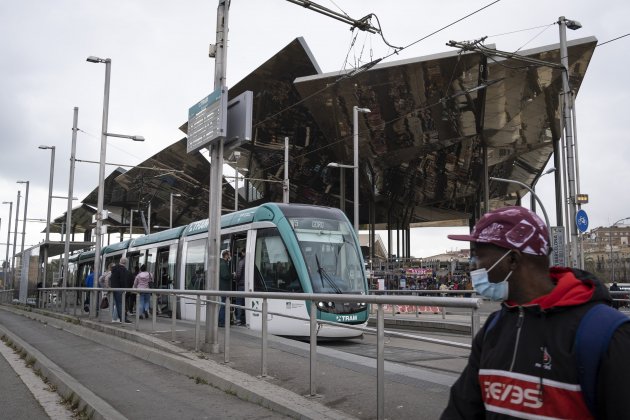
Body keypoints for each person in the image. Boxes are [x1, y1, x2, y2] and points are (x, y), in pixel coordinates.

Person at [440, 206, 630, 419]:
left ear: (512, 259)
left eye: (477, 257)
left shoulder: (606, 335)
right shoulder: (493, 329)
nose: (472, 267)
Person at [110, 257, 132, 323]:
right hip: (119, 289)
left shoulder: (114, 268)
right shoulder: (123, 269)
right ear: (125, 263)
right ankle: (123, 319)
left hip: (113, 288)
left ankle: (116, 318)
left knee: (115, 304)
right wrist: (124, 289)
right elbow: (123, 280)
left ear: (120, 261)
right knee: (120, 304)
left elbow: (111, 278)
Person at [218, 249, 232, 327]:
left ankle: (222, 321)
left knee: (224, 304)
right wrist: (232, 275)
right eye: (229, 255)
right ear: (226, 255)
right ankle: (221, 322)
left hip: (224, 287)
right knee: (223, 305)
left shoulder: (223, 263)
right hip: (224, 288)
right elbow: (225, 275)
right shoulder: (223, 264)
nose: (230, 256)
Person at [234, 251, 246, 325]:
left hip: (241, 285)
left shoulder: (241, 261)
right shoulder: (248, 261)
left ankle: (238, 319)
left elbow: (238, 274)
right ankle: (244, 320)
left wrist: (236, 279)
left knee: (239, 302)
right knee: (245, 302)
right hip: (246, 285)